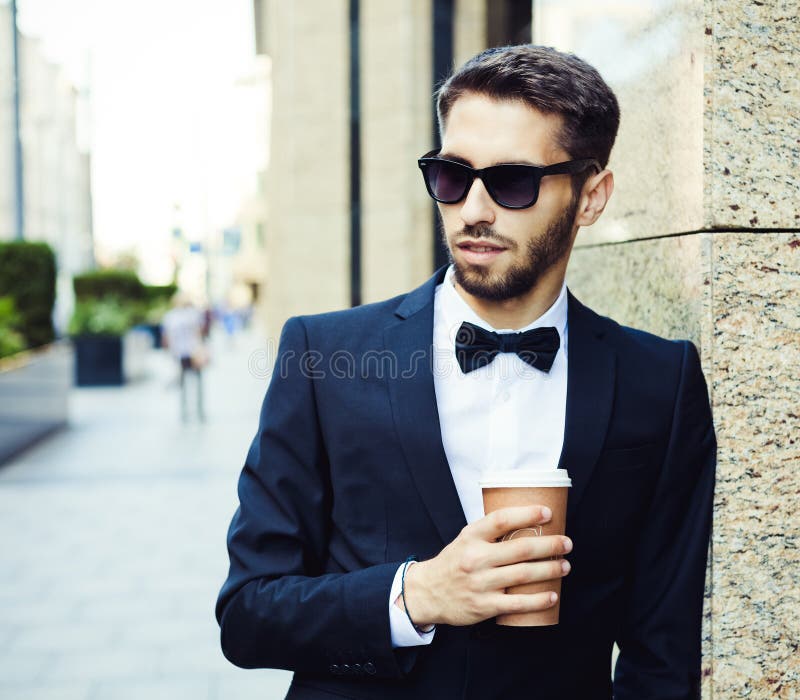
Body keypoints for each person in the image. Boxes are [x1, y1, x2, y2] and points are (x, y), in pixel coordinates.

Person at [216, 45, 716, 699]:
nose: (474, 209)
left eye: (512, 182)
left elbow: (664, 657)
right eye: (453, 176)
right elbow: (248, 615)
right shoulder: (322, 357)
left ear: (592, 195)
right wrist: (416, 595)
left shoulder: (661, 382)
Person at [161, 292, 207, 422]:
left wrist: (170, 353)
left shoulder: (170, 317)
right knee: (198, 383)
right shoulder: (194, 314)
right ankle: (199, 411)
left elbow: (166, 339)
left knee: (183, 384)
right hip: (194, 352)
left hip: (180, 353)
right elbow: (200, 333)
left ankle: (184, 413)